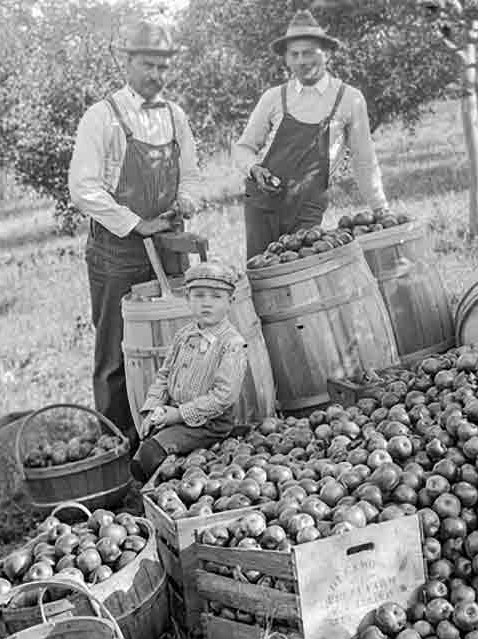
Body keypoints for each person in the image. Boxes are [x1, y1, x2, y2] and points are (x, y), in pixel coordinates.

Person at [68, 19, 205, 449]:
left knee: (176, 345)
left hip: (167, 248)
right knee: (116, 356)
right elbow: (83, 187)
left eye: (164, 67)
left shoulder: (175, 116)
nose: (157, 76)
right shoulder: (103, 118)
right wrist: (133, 222)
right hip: (118, 252)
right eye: (148, 65)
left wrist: (185, 200)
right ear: (126, 62)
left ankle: (171, 439)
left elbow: (193, 176)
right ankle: (118, 446)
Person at [234, 9, 390, 259]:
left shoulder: (348, 99)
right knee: (261, 273)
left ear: (326, 54)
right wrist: (255, 169)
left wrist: (380, 207)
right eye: (294, 54)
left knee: (301, 270)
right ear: (286, 59)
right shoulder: (274, 98)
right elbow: (243, 148)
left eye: (308, 53)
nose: (301, 61)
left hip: (307, 206)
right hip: (262, 203)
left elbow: (364, 160)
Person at [131, 262, 248, 482]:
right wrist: (152, 408)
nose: (206, 303)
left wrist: (180, 414)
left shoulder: (231, 344)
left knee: (151, 453)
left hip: (209, 423)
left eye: (216, 297)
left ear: (230, 302)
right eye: (199, 296)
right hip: (176, 414)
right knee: (143, 441)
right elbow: (164, 376)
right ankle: (151, 486)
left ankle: (163, 485)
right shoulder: (184, 336)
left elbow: (224, 396)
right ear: (187, 299)